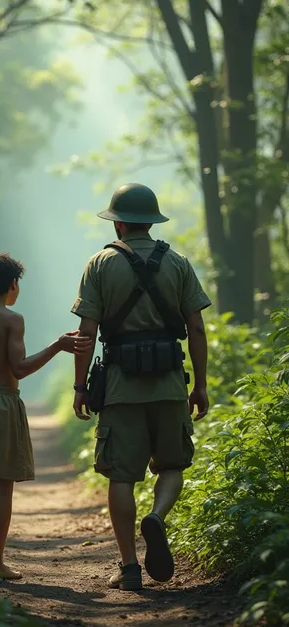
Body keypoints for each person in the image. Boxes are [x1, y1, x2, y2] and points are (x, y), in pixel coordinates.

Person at [71, 183, 211, 591]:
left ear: (118, 223)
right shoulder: (179, 262)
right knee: (172, 465)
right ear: (151, 220)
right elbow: (196, 327)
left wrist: (80, 386)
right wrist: (200, 385)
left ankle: (130, 567)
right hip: (169, 382)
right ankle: (158, 517)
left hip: (120, 387)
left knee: (121, 475)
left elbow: (87, 332)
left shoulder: (99, 264)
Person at [0, 251, 91, 583]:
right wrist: (58, 345)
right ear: (12, 285)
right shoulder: (13, 320)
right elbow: (20, 369)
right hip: (2, 403)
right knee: (4, 486)